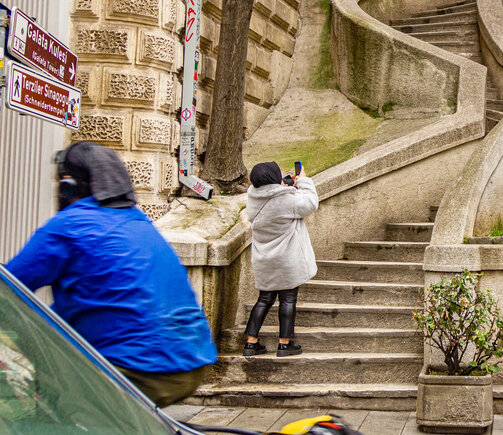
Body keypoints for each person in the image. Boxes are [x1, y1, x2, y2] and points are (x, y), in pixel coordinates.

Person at [6, 142, 217, 406]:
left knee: (49, 408)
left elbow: (9, 286)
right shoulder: (138, 222)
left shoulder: (70, 224)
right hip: (192, 362)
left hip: (134, 369)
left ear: (68, 186)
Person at [242, 161, 319, 358]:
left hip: (264, 259)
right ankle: (284, 344)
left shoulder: (252, 199)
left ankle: (251, 343)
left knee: (264, 299)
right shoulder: (287, 200)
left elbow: (271, 198)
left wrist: (283, 188)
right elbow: (311, 203)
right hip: (286, 259)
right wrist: (303, 181)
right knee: (288, 298)